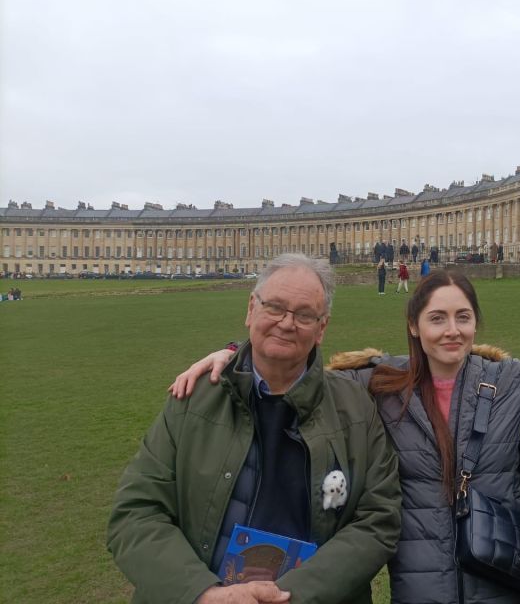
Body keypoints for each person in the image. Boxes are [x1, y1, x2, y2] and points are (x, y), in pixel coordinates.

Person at [170, 273, 520, 604]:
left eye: (462, 317)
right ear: (414, 325)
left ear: (476, 322)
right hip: (420, 582)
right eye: (436, 318)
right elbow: (293, 371)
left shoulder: (514, 381)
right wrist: (230, 353)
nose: (450, 330)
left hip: (505, 576)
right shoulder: (375, 383)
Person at [107, 254, 401, 604]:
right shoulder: (194, 397)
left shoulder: (355, 407)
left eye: (304, 314)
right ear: (251, 309)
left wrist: (293, 596)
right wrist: (202, 594)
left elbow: (378, 520)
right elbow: (136, 513)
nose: (287, 323)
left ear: (322, 328)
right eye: (274, 307)